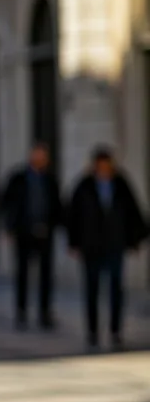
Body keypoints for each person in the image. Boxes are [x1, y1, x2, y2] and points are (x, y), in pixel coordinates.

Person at [67, 147, 147, 350]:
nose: (104, 169)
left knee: (116, 289)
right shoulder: (84, 186)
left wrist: (135, 240)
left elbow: (133, 213)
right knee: (92, 289)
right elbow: (73, 216)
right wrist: (74, 242)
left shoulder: (121, 185)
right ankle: (92, 331)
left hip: (114, 245)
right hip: (91, 246)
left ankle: (115, 330)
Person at [0, 143, 63, 331]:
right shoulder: (18, 178)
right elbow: (6, 203)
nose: (39, 159)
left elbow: (57, 206)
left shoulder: (50, 180)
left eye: (43, 156)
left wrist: (54, 225)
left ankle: (44, 313)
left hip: (45, 232)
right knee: (23, 274)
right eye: (37, 155)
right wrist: (10, 227)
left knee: (46, 275)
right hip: (23, 232)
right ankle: (21, 312)